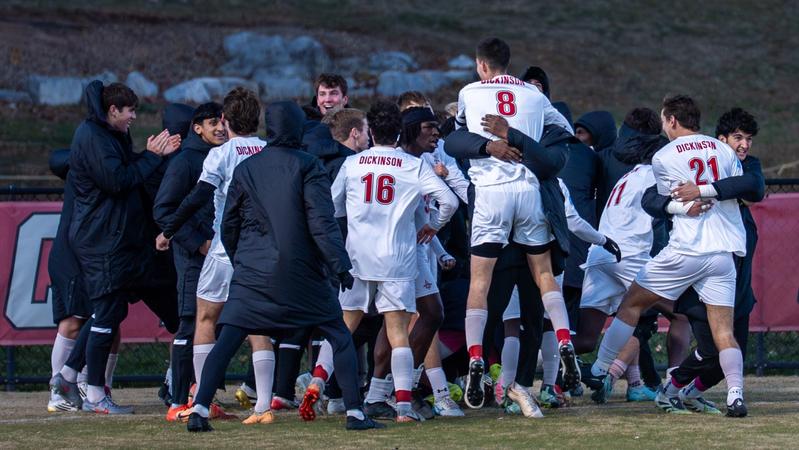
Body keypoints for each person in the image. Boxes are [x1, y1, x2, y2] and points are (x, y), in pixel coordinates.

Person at [185, 101, 381, 432]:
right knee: (339, 336)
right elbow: (322, 223)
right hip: (303, 275)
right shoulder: (309, 166)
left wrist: (242, 261)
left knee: (228, 339)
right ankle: (355, 413)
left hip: (253, 276)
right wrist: (339, 265)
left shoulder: (247, 169)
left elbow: (228, 224)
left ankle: (200, 409)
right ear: (297, 128)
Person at [589, 95, 748, 418]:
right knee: (723, 333)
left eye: (665, 120)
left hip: (686, 249)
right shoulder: (724, 151)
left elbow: (661, 202)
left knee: (632, 303)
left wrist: (684, 203)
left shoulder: (664, 156)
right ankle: (736, 395)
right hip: (723, 251)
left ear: (672, 120)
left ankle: (601, 367)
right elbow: (736, 186)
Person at [309, 100, 458, 423]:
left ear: (372, 132)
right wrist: (433, 225)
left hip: (359, 257)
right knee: (397, 331)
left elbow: (331, 207)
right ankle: (403, 406)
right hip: (397, 259)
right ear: (400, 132)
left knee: (344, 324)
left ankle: (317, 382)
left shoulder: (354, 164)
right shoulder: (412, 166)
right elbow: (449, 200)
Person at [452, 37, 577, 409]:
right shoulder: (536, 97)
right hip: (528, 189)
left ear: (481, 64)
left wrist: (489, 143)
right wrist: (522, 135)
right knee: (543, 276)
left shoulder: (470, 92)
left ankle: (475, 355)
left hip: (490, 191)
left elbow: (456, 134)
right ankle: (566, 339)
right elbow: (564, 131)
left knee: (480, 281)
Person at [49, 81, 180, 414]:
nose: (134, 117)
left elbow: (124, 171)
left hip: (114, 239)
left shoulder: (110, 135)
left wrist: (148, 156)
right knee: (105, 312)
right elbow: (117, 180)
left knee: (109, 310)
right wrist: (151, 158)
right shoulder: (93, 136)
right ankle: (93, 394)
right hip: (100, 240)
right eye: (130, 111)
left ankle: (66, 375)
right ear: (113, 110)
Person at [157, 87, 272, 423]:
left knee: (204, 319)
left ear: (225, 119)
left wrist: (168, 231)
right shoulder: (268, 151)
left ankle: (200, 398)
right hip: (260, 252)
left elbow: (196, 198)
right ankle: (264, 406)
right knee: (257, 324)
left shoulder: (219, 155)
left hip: (224, 249)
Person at [643, 108, 764, 417]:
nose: (744, 145)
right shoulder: (693, 161)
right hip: (706, 269)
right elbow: (650, 198)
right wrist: (679, 203)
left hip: (739, 279)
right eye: (738, 137)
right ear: (719, 140)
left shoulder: (744, 167)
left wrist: (706, 189)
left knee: (730, 355)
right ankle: (671, 390)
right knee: (712, 347)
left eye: (749, 139)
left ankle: (687, 393)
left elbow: (754, 187)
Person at [153, 102, 226, 421]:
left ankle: (202, 396)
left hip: (225, 258)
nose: (221, 127)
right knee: (188, 325)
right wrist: (199, 242)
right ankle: (177, 400)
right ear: (197, 128)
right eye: (213, 123)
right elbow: (164, 210)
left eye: (223, 122)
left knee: (222, 327)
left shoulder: (225, 155)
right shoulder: (185, 162)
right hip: (195, 260)